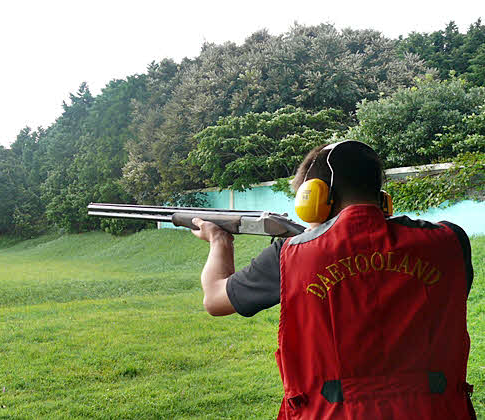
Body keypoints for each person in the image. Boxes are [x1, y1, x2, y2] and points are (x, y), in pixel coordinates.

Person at [191, 140, 475, 419]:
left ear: (313, 198)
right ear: (381, 197)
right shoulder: (451, 241)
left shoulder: (291, 253)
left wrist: (219, 241)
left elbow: (215, 299)